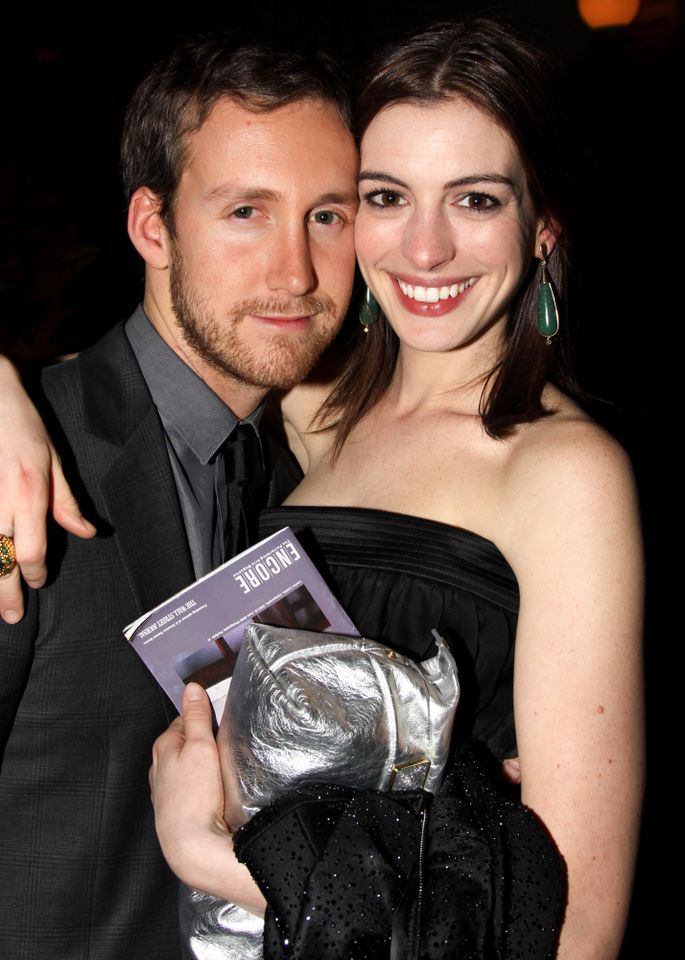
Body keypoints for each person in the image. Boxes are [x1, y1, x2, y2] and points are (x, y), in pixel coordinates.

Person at [1, 16, 644, 960]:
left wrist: (213, 853)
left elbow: (578, 931)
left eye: (473, 199)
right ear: (152, 225)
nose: (423, 250)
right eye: (386, 197)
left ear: (540, 225)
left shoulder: (567, 472)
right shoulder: (306, 416)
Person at [0, 37, 358, 957]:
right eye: (247, 211)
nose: (295, 273)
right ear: (152, 228)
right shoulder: (27, 460)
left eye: (328, 216)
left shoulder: (304, 480)